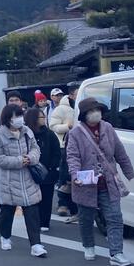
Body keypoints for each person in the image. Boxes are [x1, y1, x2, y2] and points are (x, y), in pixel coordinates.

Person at [66, 98, 134, 266]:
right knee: (86, 218)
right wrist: (75, 174)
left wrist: (128, 172)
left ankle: (116, 253)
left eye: (97, 110)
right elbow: (73, 156)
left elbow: (119, 151)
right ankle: (89, 245)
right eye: (91, 111)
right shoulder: (75, 133)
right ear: (84, 115)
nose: (95, 113)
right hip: (85, 183)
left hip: (108, 182)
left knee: (115, 218)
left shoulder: (108, 128)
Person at [0, 104, 46, 257]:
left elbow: (36, 149)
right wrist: (19, 161)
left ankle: (36, 244)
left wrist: (31, 158)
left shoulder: (27, 131)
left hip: (28, 178)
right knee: (7, 211)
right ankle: (6, 237)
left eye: (20, 115)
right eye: (15, 116)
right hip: (8, 180)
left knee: (32, 211)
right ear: (8, 118)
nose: (19, 119)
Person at [25, 106, 61, 235]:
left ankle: (45, 222)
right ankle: (34, 221)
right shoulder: (26, 134)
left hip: (48, 172)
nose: (44, 119)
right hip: (30, 171)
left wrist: (51, 167)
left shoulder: (49, 134)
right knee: (33, 199)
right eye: (41, 117)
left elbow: (57, 152)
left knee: (47, 197)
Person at [51, 82, 79, 220]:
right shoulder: (61, 109)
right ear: (72, 94)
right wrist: (68, 126)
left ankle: (75, 207)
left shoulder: (80, 107)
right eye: (77, 93)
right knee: (65, 176)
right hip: (64, 145)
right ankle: (62, 204)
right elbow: (53, 126)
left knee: (75, 176)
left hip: (80, 145)